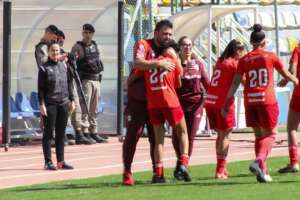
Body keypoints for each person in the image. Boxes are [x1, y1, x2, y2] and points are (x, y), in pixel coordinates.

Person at [222, 24, 298, 183]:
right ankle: (259, 161)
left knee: (258, 136)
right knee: (270, 134)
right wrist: (296, 81)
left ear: (251, 43)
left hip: (250, 100)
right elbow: (286, 74)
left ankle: (262, 172)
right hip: (266, 100)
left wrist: (227, 102)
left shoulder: (244, 59)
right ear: (264, 42)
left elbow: (235, 82)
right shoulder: (270, 56)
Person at [122, 19, 176, 186]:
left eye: (170, 34)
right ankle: (127, 171)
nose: (167, 36)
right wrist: (158, 63)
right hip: (138, 99)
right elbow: (138, 62)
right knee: (133, 135)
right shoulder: (143, 44)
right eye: (164, 33)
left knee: (156, 137)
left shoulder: (169, 49)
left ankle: (158, 172)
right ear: (156, 33)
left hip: (157, 100)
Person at [135, 40, 191, 183]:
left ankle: (158, 174)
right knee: (183, 132)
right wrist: (176, 58)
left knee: (159, 140)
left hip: (153, 103)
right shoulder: (171, 60)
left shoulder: (150, 62)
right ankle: (184, 163)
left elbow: (137, 72)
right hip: (170, 100)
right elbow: (180, 76)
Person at [205, 39, 245, 179]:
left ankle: (222, 167)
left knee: (220, 136)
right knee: (225, 136)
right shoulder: (234, 64)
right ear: (237, 51)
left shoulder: (220, 61)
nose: (243, 54)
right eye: (242, 51)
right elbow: (245, 82)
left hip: (210, 101)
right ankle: (220, 170)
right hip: (223, 103)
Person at [172, 36, 210, 175]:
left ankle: (184, 165)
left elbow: (206, 82)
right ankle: (180, 161)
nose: (187, 48)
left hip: (196, 104)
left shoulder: (198, 64)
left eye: (190, 45)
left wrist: (216, 96)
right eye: (184, 45)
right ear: (179, 48)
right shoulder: (174, 64)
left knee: (191, 135)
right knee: (177, 136)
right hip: (178, 104)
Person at [38, 42, 75, 170]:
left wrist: (72, 100)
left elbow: (69, 83)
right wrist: (42, 104)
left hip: (63, 103)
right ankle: (48, 161)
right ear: (48, 52)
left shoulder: (64, 66)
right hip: (50, 104)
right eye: (53, 51)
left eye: (57, 51)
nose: (55, 53)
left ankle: (61, 161)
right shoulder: (44, 68)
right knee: (48, 134)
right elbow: (41, 89)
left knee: (61, 133)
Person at [71, 24, 107, 144]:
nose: (87, 35)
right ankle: (84, 131)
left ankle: (93, 131)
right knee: (85, 106)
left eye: (89, 32)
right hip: (85, 80)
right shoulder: (78, 47)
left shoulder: (96, 46)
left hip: (96, 79)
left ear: (92, 34)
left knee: (94, 107)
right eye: (85, 32)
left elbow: (99, 63)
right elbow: (73, 64)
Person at [277, 43, 300, 173]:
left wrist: (286, 79)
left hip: (299, 93)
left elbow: (292, 69)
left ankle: (294, 163)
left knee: (292, 128)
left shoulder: (298, 49)